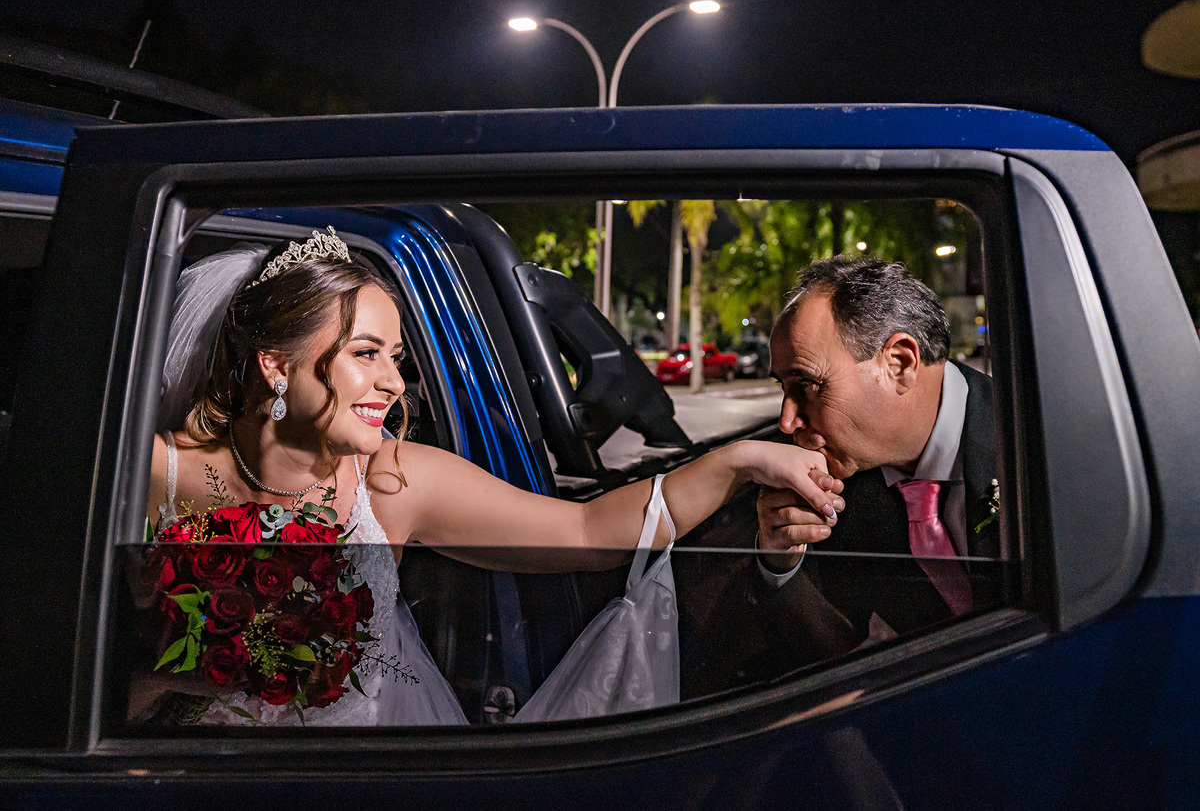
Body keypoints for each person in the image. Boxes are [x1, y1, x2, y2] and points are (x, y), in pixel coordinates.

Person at [143, 228, 843, 727]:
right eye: (365, 353)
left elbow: (585, 531)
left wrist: (739, 461)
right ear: (275, 365)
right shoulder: (150, 473)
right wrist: (192, 668)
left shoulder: (392, 483)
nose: (393, 383)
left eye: (396, 357)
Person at [676, 256, 1002, 696]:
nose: (787, 421)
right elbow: (830, 655)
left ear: (899, 363)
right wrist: (781, 559)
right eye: (783, 389)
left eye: (807, 385)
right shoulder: (837, 484)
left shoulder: (1033, 440)